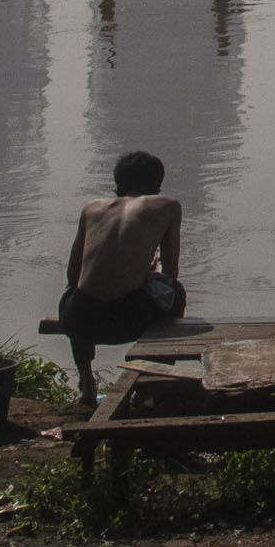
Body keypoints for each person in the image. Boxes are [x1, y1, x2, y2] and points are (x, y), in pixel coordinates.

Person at [58, 150, 187, 404]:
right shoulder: (168, 206)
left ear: (118, 182)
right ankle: (148, 387)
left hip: (81, 319)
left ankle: (87, 384)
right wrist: (151, 271)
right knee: (177, 294)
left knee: (73, 291)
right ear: (157, 184)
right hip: (130, 319)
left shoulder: (91, 208)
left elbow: (73, 275)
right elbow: (171, 275)